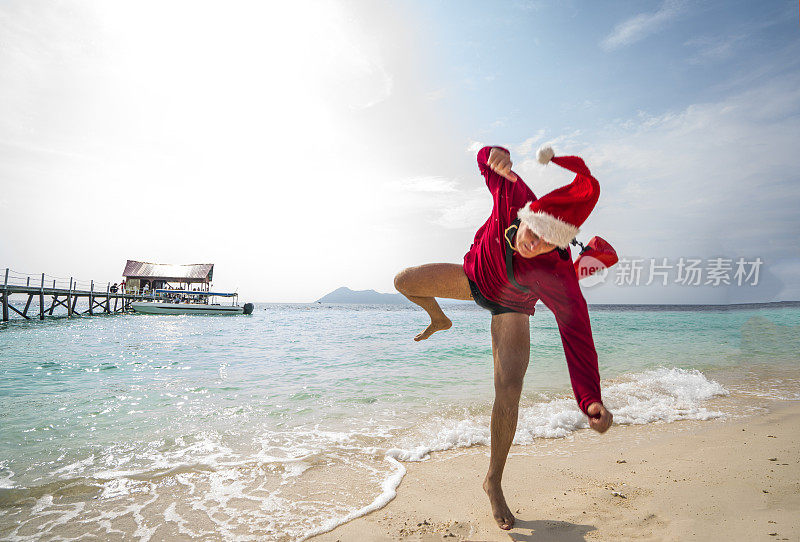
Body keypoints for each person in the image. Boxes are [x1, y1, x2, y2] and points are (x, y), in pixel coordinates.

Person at [394, 144, 613, 531]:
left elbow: (577, 335)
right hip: (475, 277)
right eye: (535, 231)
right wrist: (495, 153)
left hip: (513, 305)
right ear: (528, 214)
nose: (535, 243)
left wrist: (590, 398)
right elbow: (484, 159)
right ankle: (439, 320)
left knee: (508, 390)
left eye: (548, 241)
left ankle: (493, 481)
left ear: (559, 244)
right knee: (403, 281)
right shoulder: (514, 193)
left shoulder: (555, 271)